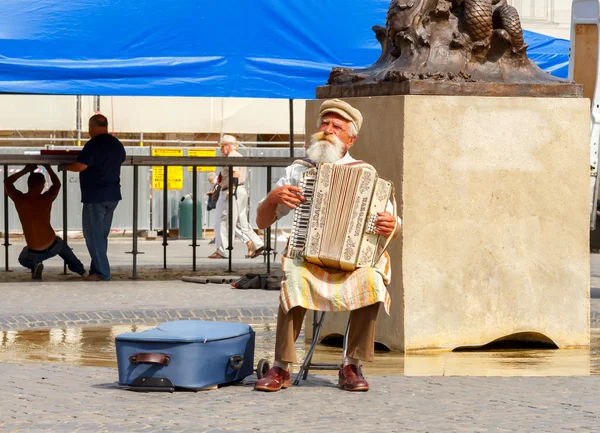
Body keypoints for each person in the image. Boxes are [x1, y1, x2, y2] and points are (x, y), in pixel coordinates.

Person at [254, 99, 401, 392]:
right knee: (294, 276)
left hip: (349, 263)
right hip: (307, 259)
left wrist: (392, 226)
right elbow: (261, 222)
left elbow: (392, 223)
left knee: (372, 279)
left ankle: (351, 365)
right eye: (324, 123)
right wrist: (273, 198)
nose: (327, 130)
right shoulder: (299, 171)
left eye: (337, 126)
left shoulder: (366, 174)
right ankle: (281, 368)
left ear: (351, 139)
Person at [60, 114, 126, 281]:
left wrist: (65, 166)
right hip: (113, 196)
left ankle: (102, 273)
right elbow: (122, 160)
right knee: (101, 236)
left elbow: (81, 166)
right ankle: (96, 269)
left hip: (95, 196)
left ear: (93, 127)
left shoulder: (94, 144)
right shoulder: (116, 144)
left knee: (93, 236)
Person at [4, 164, 85, 279]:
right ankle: (81, 270)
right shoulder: (46, 198)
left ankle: (35, 264)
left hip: (33, 252)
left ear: (28, 184)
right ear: (42, 185)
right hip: (53, 246)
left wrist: (25, 170)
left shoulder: (20, 200)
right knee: (61, 245)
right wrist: (48, 167)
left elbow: (7, 182)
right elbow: (57, 184)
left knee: (22, 258)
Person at [209, 135, 265, 259]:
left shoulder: (232, 157)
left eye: (222, 146)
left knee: (225, 220)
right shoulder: (238, 156)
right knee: (241, 221)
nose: (221, 149)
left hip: (233, 190)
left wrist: (231, 188)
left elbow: (235, 173)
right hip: (240, 190)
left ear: (228, 146)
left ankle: (223, 250)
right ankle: (257, 244)